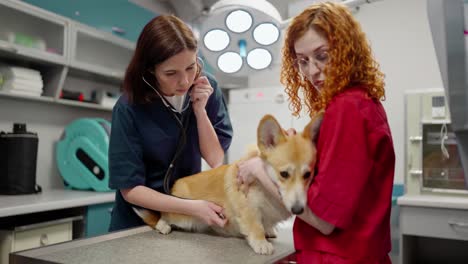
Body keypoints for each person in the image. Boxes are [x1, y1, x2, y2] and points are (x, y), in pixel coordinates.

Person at [237, 2, 395, 263]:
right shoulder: (360, 102)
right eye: (303, 61)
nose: (312, 71)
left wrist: (258, 169)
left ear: (346, 50)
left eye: (322, 55)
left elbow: (323, 220)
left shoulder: (348, 108)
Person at [108, 15, 233, 232]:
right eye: (171, 73)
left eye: (191, 67)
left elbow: (215, 158)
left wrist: (200, 112)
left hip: (185, 220)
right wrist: (192, 207)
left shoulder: (206, 88)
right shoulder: (128, 108)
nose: (185, 81)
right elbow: (130, 189)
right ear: (150, 71)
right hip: (138, 224)